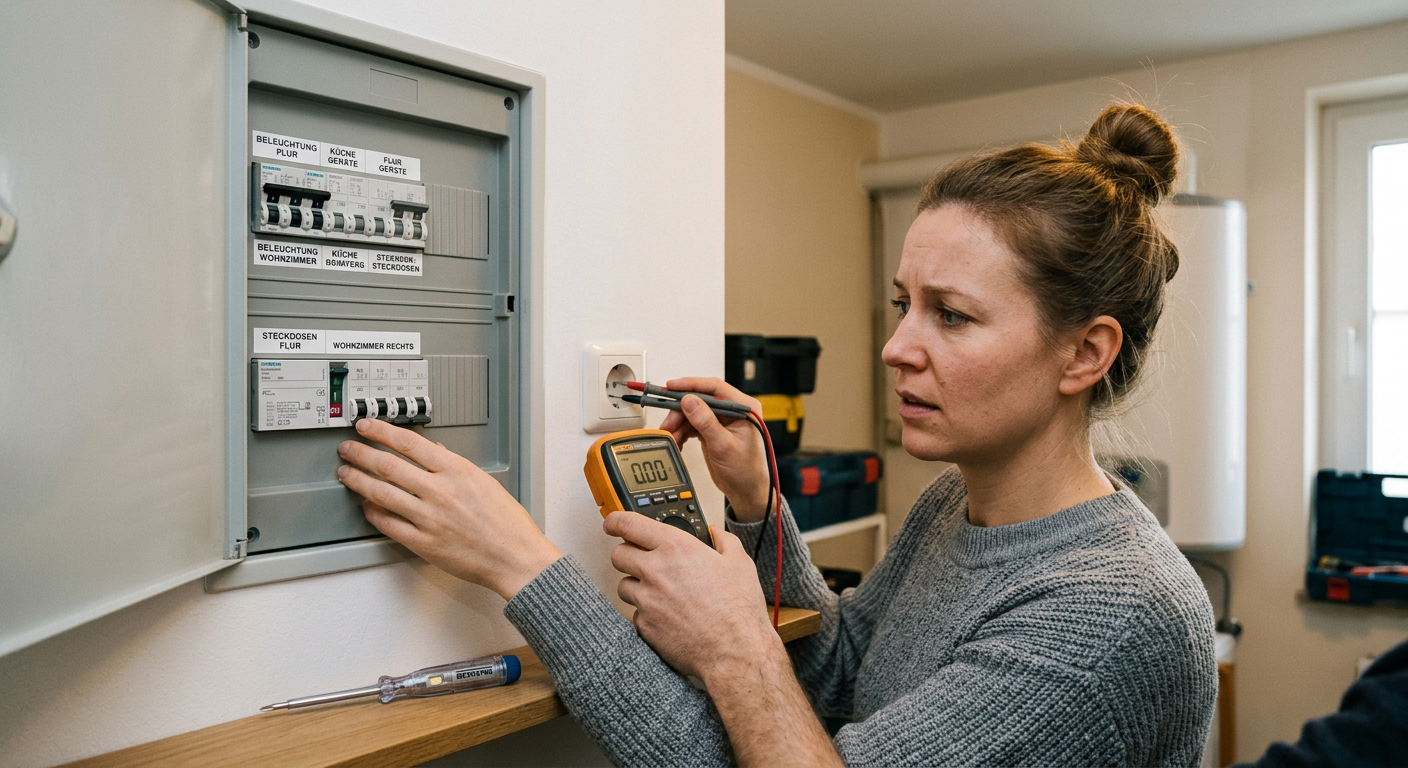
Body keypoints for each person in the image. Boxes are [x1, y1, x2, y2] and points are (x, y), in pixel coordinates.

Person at [335, 102, 1217, 766]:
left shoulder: (1114, 616)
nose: (897, 347)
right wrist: (759, 508)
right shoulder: (955, 504)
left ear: (1083, 353)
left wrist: (525, 568)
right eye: (904, 305)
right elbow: (838, 676)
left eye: (951, 315)